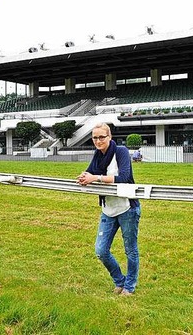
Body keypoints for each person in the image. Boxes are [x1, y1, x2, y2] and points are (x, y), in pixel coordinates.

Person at [77, 123, 141, 296]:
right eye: (95, 138)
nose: (98, 141)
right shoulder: (98, 155)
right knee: (101, 251)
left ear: (109, 137)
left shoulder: (120, 151)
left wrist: (95, 178)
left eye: (101, 137)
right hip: (108, 209)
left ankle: (129, 286)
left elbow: (124, 177)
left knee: (130, 250)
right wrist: (83, 177)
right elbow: (90, 172)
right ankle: (120, 281)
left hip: (127, 208)